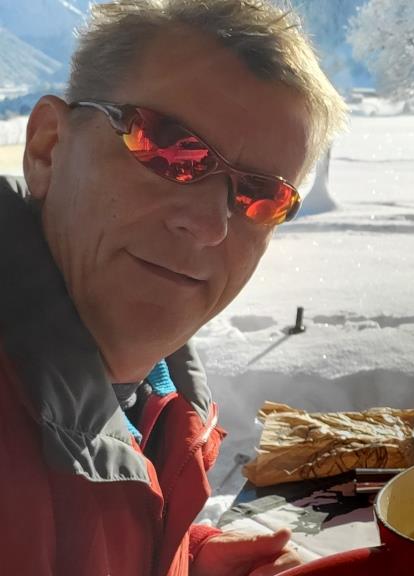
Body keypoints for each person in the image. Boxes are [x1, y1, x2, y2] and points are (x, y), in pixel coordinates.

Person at [0, 1, 346, 575]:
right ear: (48, 148)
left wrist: (185, 559)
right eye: (170, 149)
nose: (210, 226)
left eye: (261, 195)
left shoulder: (157, 401)